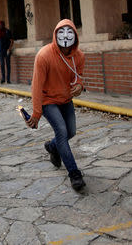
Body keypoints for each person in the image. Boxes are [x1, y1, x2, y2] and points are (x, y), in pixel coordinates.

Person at [26, 19, 86, 191]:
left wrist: (79, 86)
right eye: (61, 32)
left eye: (70, 32)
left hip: (66, 99)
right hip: (48, 101)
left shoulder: (79, 56)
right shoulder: (44, 55)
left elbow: (79, 76)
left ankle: (52, 147)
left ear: (75, 35)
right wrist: (36, 113)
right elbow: (36, 85)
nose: (66, 36)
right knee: (61, 131)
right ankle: (74, 174)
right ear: (55, 34)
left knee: (71, 132)